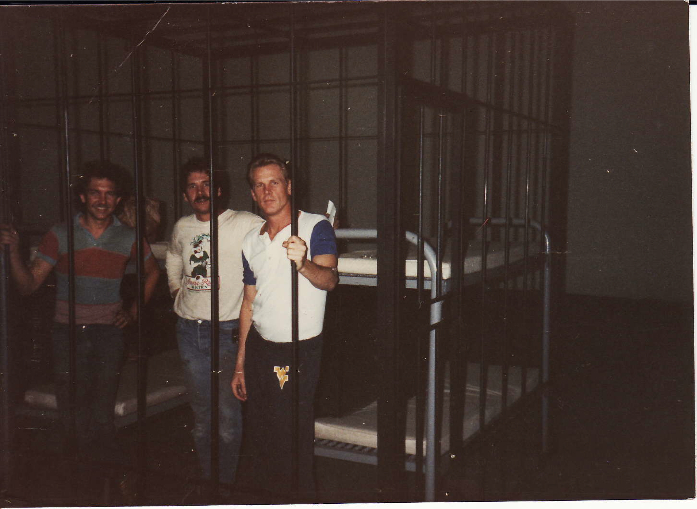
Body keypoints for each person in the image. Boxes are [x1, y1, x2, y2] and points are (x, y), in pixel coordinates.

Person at [0, 160, 160, 458]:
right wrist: (12, 253)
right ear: (83, 197)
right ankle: (75, 481)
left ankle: (102, 481)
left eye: (109, 194)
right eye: (95, 193)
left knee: (102, 413)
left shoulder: (129, 237)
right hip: (67, 333)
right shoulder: (60, 234)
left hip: (109, 335)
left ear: (119, 199)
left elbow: (153, 272)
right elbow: (28, 286)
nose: (102, 200)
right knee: (71, 414)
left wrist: (134, 312)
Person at [231, 153, 338, 500]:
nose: (267, 191)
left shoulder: (315, 226)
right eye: (259, 185)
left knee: (291, 436)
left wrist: (303, 263)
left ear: (289, 186)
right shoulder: (251, 240)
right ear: (252, 193)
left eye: (274, 182)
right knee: (261, 435)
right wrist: (240, 363)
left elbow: (330, 280)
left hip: (298, 349)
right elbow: (249, 302)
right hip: (261, 347)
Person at [165, 157, 263, 486]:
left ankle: (226, 487)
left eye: (206, 184)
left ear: (218, 189)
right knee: (202, 417)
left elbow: (277, 239)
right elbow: (174, 255)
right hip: (189, 331)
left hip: (228, 333)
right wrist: (176, 288)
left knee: (227, 418)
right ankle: (210, 484)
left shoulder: (246, 222)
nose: (200, 191)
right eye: (192, 186)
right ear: (184, 195)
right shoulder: (182, 227)